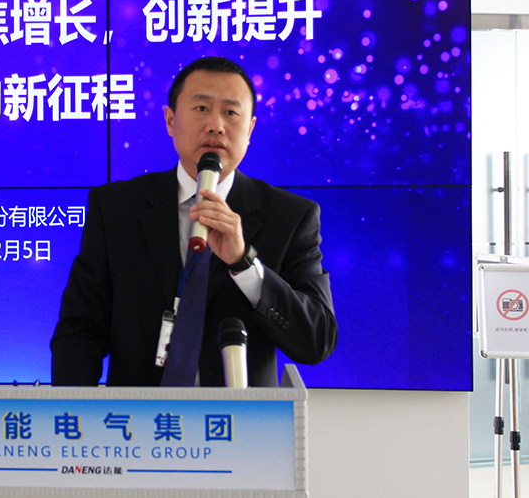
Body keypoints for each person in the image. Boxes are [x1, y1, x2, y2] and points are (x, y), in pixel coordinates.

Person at [50, 56, 337, 387]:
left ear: (250, 129)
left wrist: (244, 263)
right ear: (171, 120)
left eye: (231, 112)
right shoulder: (116, 208)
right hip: (136, 416)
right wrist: (74, 412)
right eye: (202, 108)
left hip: (242, 418)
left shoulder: (290, 216)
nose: (216, 125)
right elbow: (80, 330)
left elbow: (317, 341)